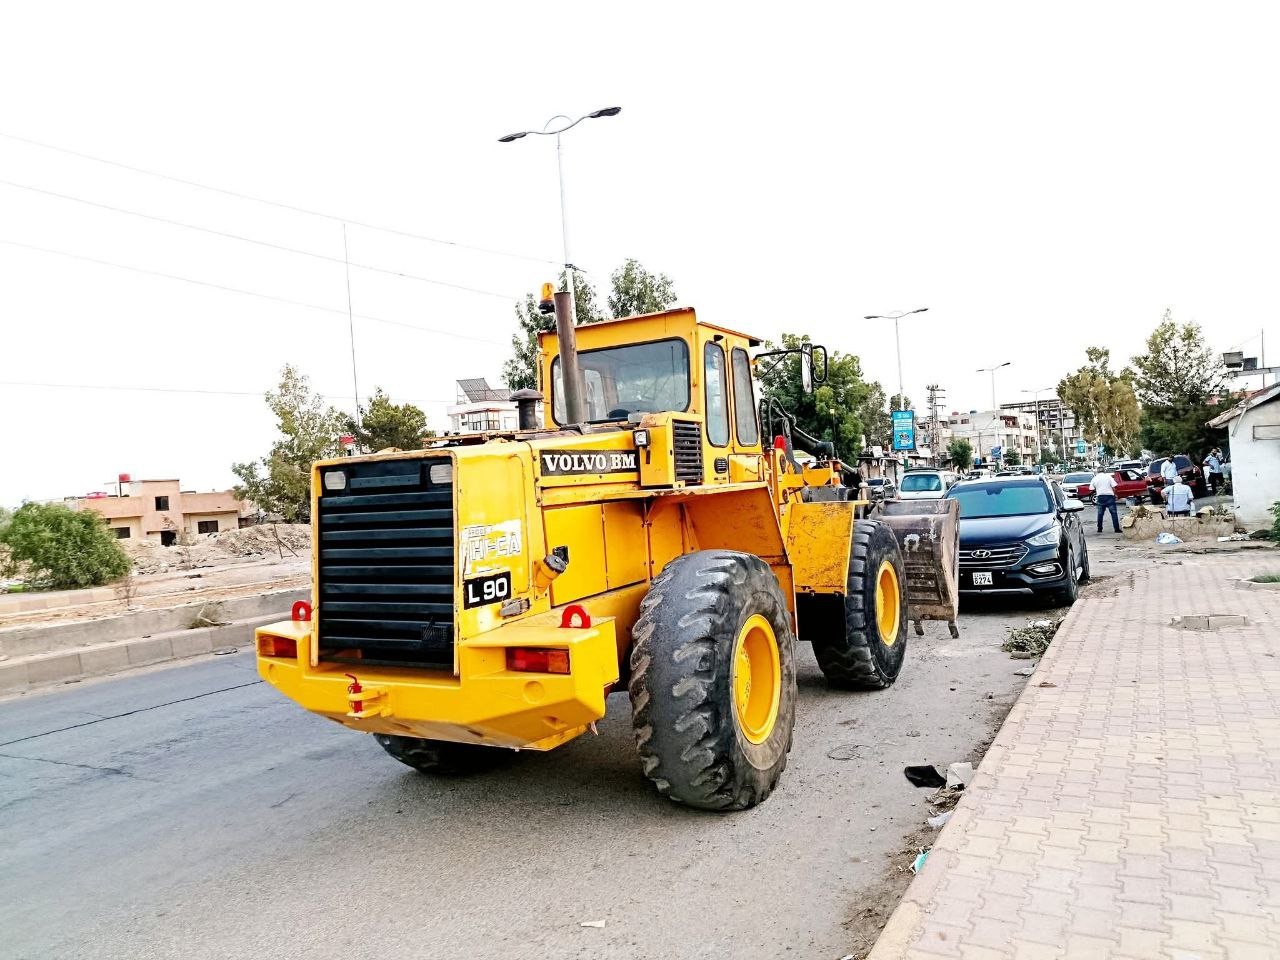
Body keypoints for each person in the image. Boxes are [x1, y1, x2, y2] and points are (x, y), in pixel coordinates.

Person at [1090, 467, 1121, 533]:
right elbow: (1114, 487)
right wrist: (1115, 494)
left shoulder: (1094, 478)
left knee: (1100, 513)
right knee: (1113, 513)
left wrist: (1098, 488)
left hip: (1100, 496)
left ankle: (1099, 529)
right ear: (1104, 471)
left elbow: (1091, 488)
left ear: (1097, 471)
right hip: (1109, 496)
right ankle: (1116, 529)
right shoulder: (1108, 477)